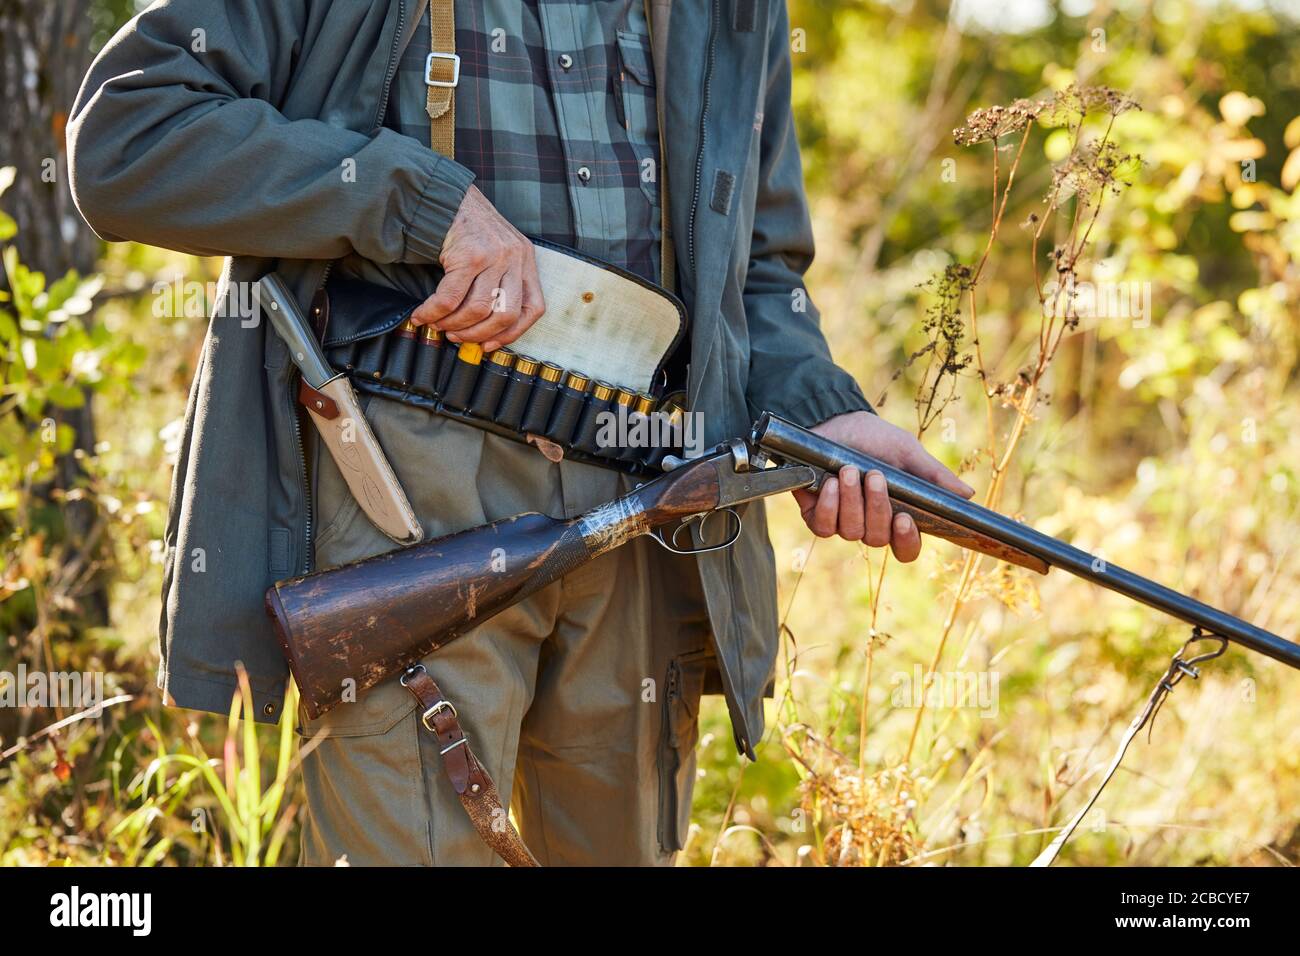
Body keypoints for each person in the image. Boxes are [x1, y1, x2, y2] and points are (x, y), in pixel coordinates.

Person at [68, 0, 973, 866]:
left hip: (653, 504)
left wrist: (823, 410)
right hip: (404, 506)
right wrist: (422, 205)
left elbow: (755, 268)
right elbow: (127, 137)